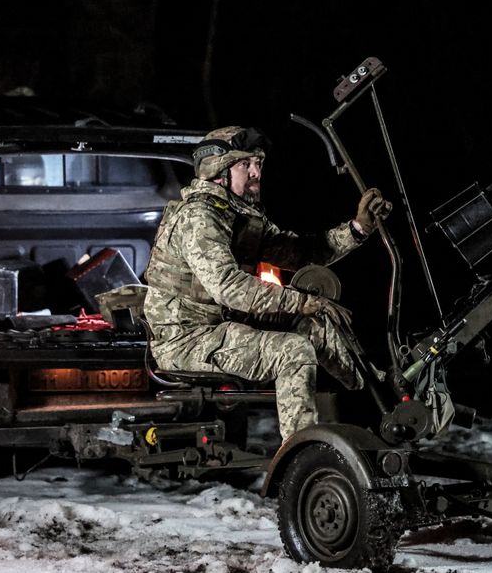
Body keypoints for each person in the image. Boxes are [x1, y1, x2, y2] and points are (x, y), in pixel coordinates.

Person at [143, 126, 392, 440]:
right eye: (245, 164)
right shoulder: (199, 218)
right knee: (292, 350)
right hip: (186, 337)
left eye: (258, 163)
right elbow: (228, 286)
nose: (256, 172)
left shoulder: (239, 216)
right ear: (218, 171)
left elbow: (302, 253)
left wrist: (358, 228)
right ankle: (300, 459)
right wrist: (300, 301)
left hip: (218, 325)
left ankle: (381, 401)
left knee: (317, 324)